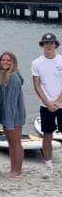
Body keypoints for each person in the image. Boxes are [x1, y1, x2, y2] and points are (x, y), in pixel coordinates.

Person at [31, 32, 62, 177]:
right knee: (47, 136)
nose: (49, 45)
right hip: (46, 106)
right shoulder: (36, 63)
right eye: (46, 43)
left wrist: (57, 101)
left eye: (51, 43)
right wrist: (48, 102)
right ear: (42, 45)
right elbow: (37, 86)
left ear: (56, 45)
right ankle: (49, 166)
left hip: (60, 104)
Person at [0, 51, 26, 177]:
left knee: (16, 143)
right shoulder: (4, 76)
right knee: (10, 143)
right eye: (3, 60)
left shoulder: (14, 77)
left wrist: (9, 121)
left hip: (15, 116)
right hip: (7, 116)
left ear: (13, 62)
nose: (5, 62)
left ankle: (17, 170)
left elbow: (12, 102)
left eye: (8, 60)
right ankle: (12, 168)